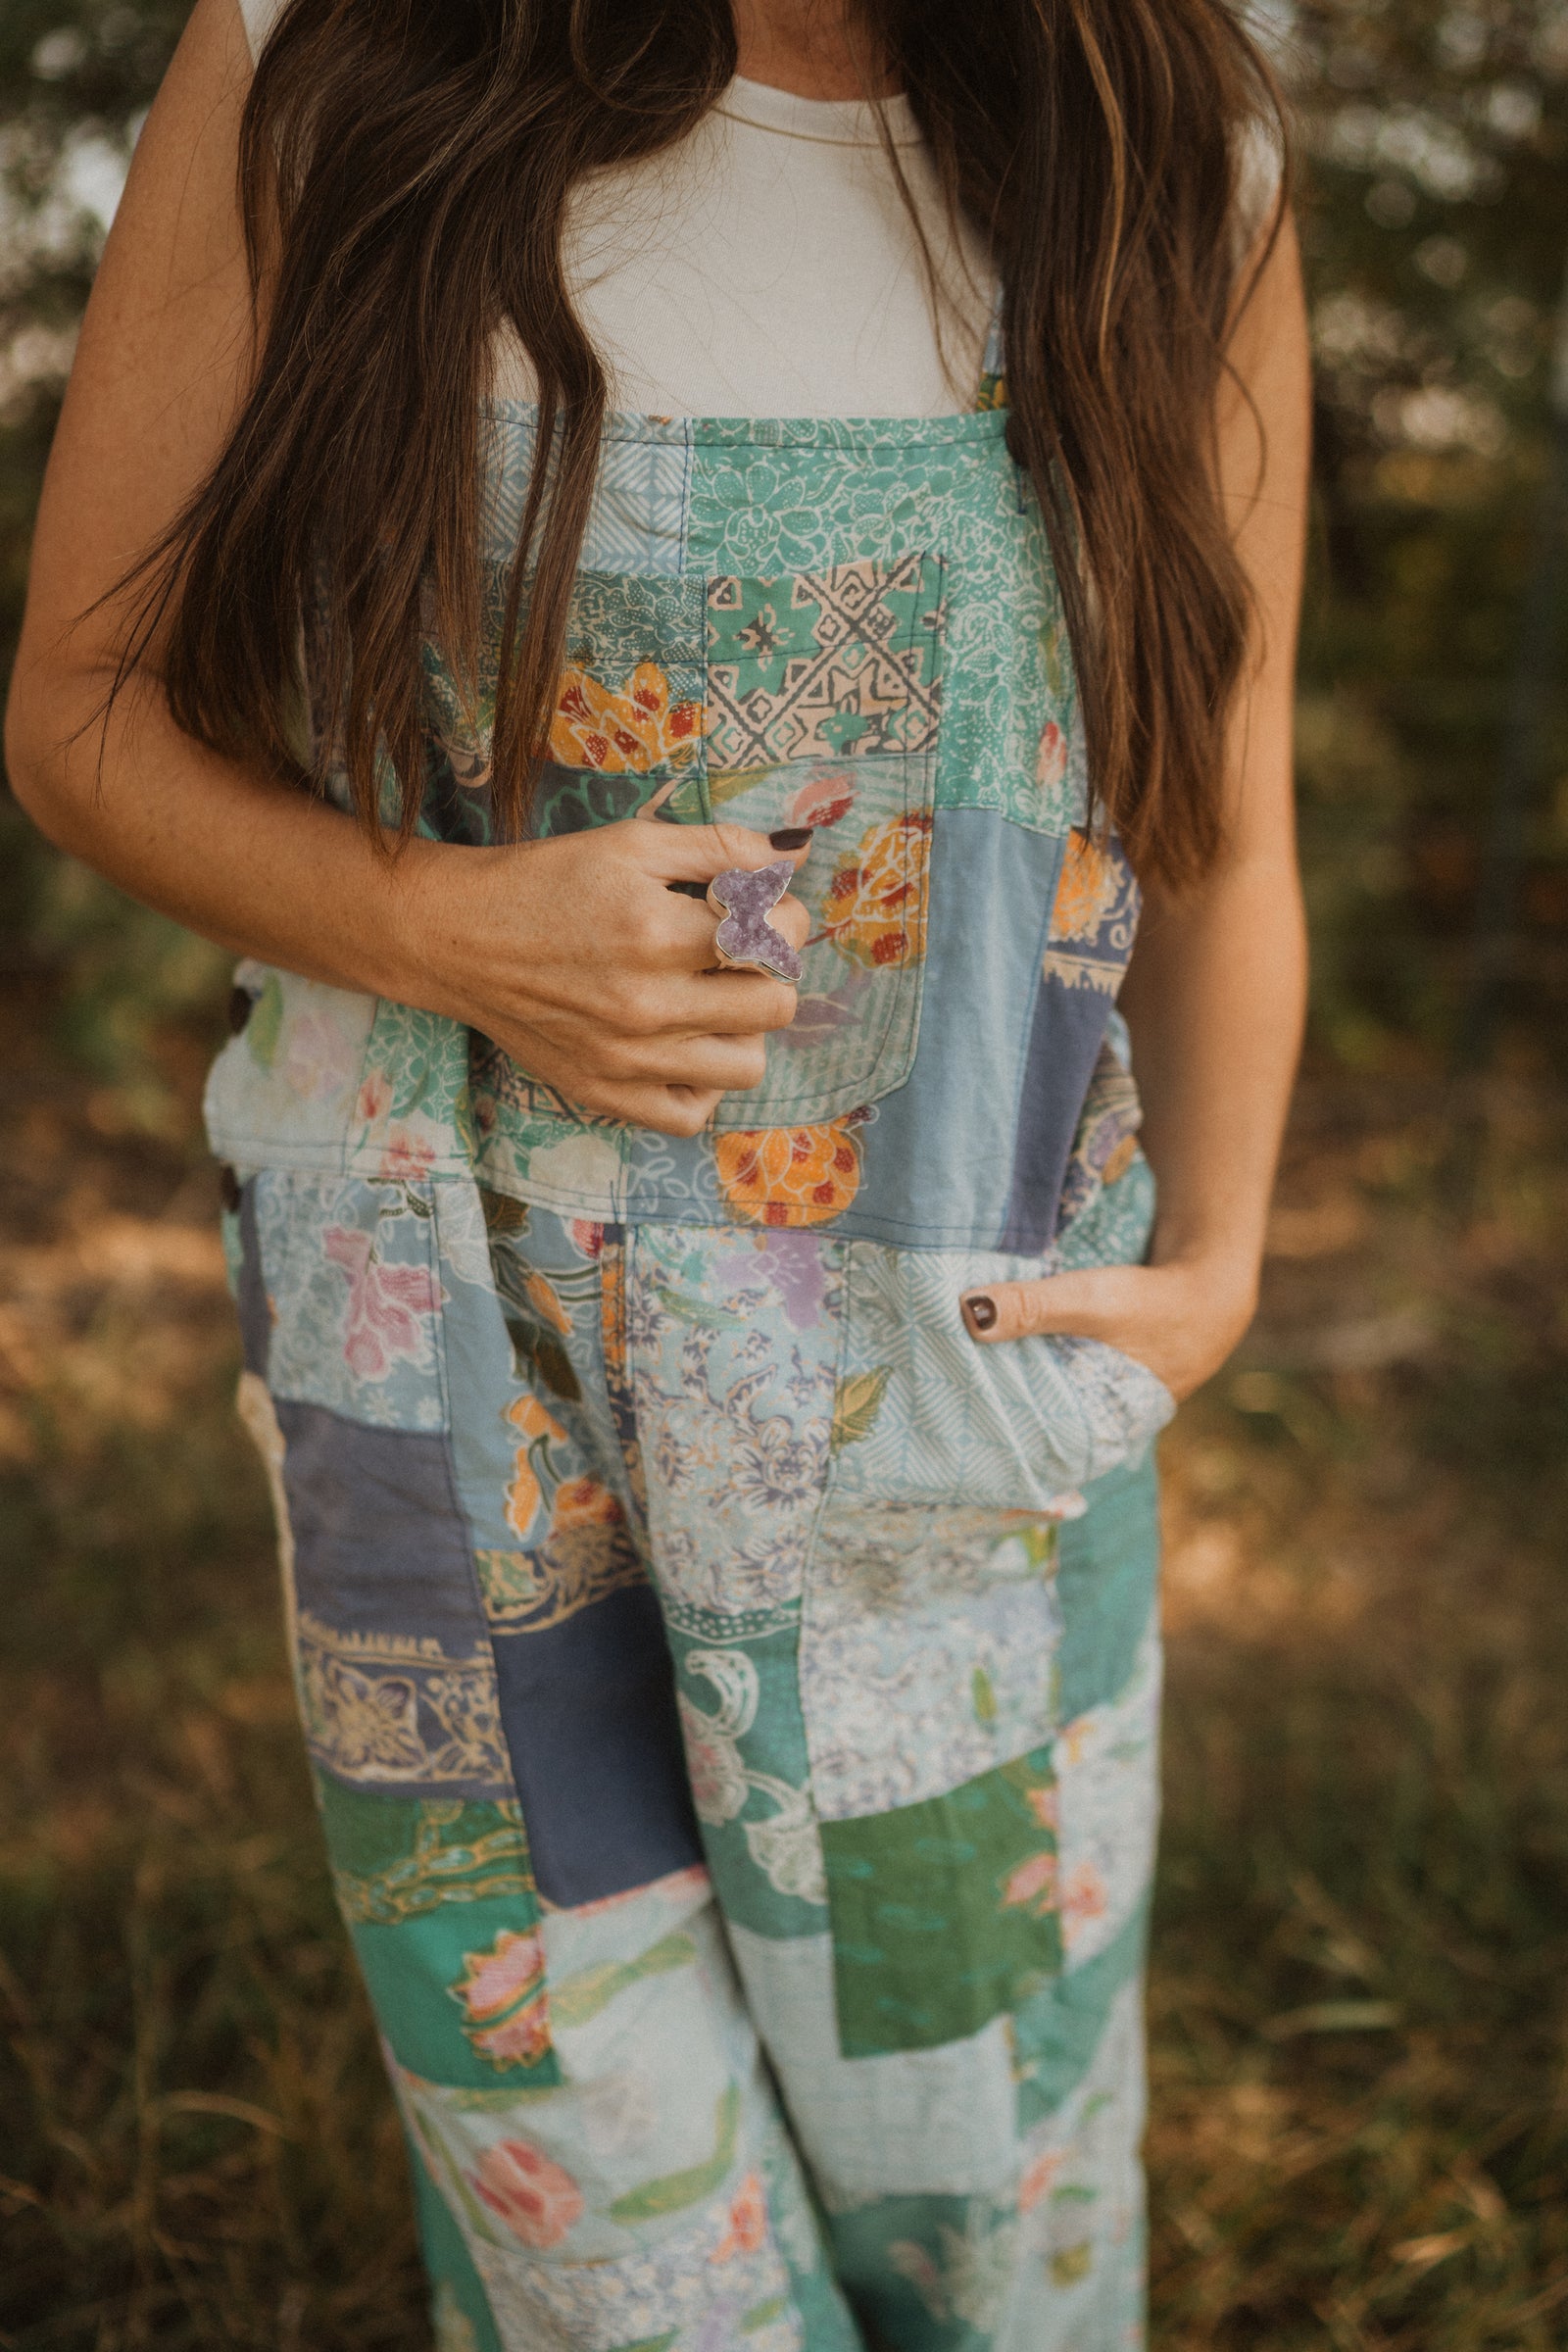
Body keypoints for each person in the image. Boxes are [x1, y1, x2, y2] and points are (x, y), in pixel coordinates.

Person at [6, 0, 1310, 2342]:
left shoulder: (1157, 144)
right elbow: (82, 715)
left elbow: (1218, 802)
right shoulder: (314, 48)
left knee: (983, 2217)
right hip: (448, 1353)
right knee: (616, 2254)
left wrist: (1214, 1263)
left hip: (958, 1376)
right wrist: (435, 927)